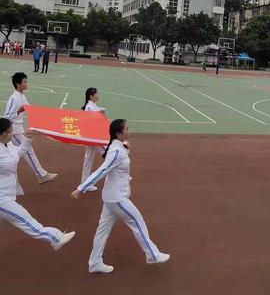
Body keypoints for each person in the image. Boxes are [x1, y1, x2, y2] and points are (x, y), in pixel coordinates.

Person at [71, 119, 170, 273]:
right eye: (127, 129)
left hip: (111, 197)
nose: (129, 131)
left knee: (102, 231)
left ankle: (95, 262)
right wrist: (81, 188)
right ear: (118, 133)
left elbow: (119, 164)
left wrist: (127, 148)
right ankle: (152, 254)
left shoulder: (118, 147)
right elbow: (102, 170)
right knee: (137, 221)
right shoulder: (116, 152)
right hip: (117, 198)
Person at [0, 118, 75, 249]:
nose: (12, 134)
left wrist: (27, 138)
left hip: (8, 193)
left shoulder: (7, 144)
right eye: (10, 132)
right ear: (1, 134)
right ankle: (56, 238)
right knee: (26, 220)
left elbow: (18, 153)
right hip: (2, 200)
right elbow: (11, 161)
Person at [4, 72, 57, 184]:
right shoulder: (14, 98)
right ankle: (41, 175)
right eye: (24, 82)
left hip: (19, 129)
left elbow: (30, 110)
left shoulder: (22, 96)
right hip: (13, 131)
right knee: (27, 150)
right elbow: (7, 116)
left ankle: (11, 177)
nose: (27, 84)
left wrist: (47, 118)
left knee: (15, 153)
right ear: (18, 84)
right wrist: (18, 111)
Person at [80, 88, 107, 191]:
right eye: (97, 93)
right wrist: (100, 112)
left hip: (92, 137)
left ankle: (84, 184)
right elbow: (89, 120)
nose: (98, 95)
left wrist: (100, 110)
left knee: (88, 160)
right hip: (93, 137)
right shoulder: (89, 107)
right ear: (92, 95)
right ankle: (122, 175)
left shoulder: (93, 106)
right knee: (110, 154)